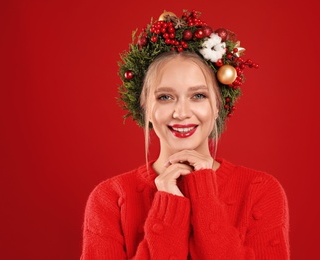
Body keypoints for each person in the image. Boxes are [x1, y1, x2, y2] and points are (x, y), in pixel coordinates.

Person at [81, 9, 290, 259]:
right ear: (145, 107)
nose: (181, 112)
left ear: (217, 106)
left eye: (198, 96)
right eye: (165, 97)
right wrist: (168, 208)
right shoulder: (110, 199)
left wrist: (203, 194)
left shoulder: (261, 191)